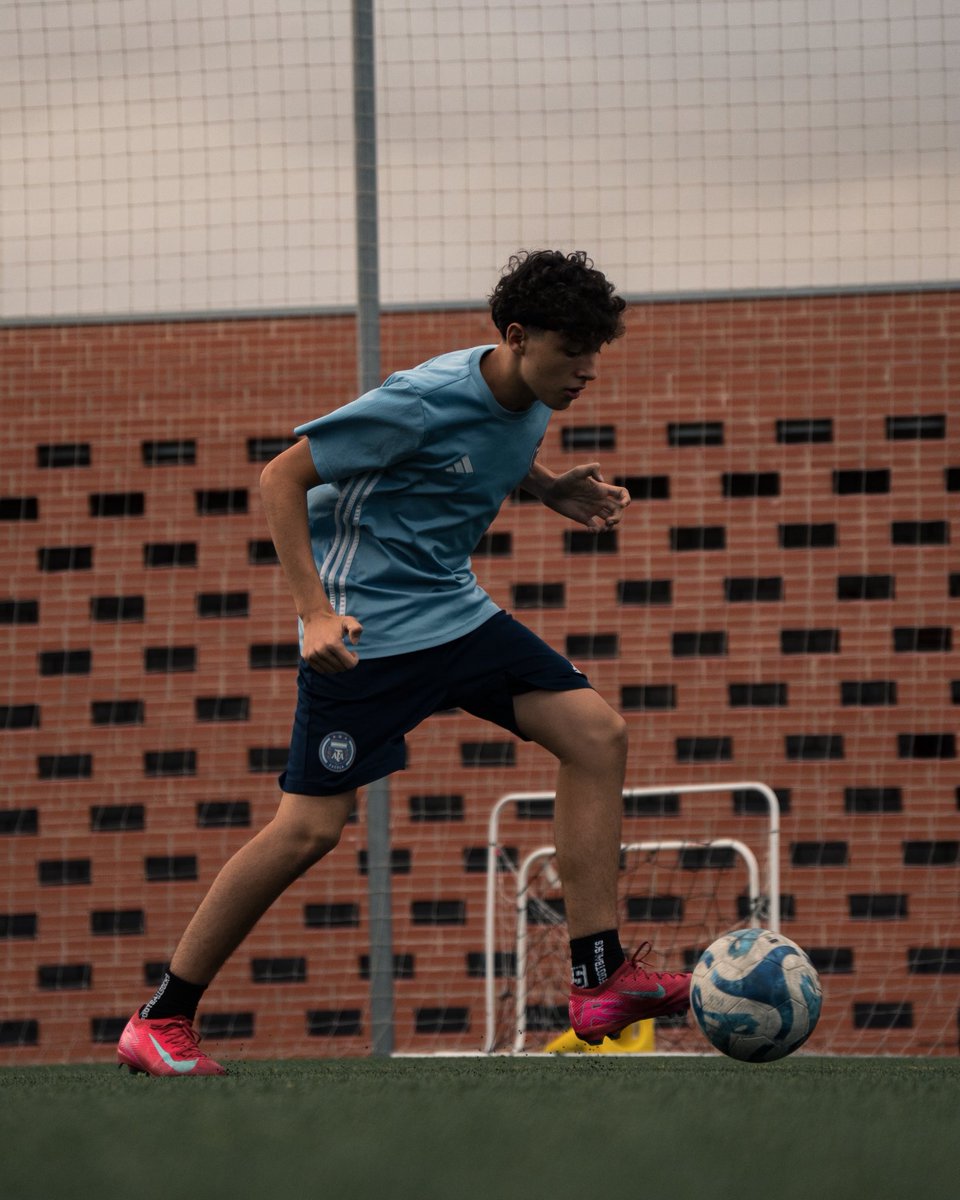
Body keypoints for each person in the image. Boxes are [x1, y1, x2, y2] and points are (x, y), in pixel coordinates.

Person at [117, 249, 690, 1076]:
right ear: (519, 336)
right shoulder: (416, 402)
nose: (586, 372)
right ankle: (161, 1019)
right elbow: (282, 478)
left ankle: (599, 980)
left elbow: (487, 450)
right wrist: (312, 612)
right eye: (573, 352)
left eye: (596, 354)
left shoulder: (532, 396)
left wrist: (549, 488)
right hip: (368, 637)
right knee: (309, 829)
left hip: (456, 615)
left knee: (596, 735)